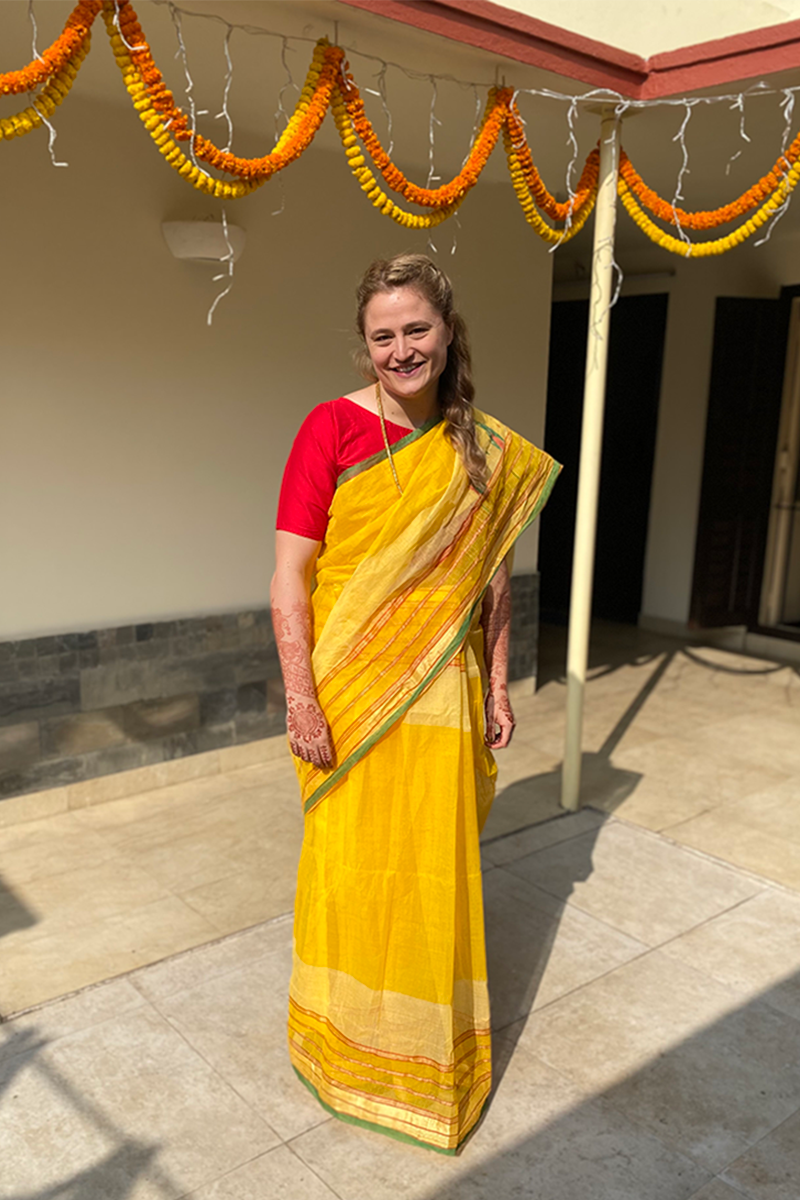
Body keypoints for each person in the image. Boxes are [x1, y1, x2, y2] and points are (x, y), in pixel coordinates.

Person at [271, 253, 560, 1153]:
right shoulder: (331, 429)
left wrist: (502, 676)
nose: (401, 349)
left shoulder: (486, 446)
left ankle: (427, 1060)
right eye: (382, 335)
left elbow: (492, 583)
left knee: (432, 874)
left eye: (416, 329)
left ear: (446, 331)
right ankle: (340, 1046)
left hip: (444, 692)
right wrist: (301, 699)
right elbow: (290, 577)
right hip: (351, 695)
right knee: (352, 867)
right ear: (364, 347)